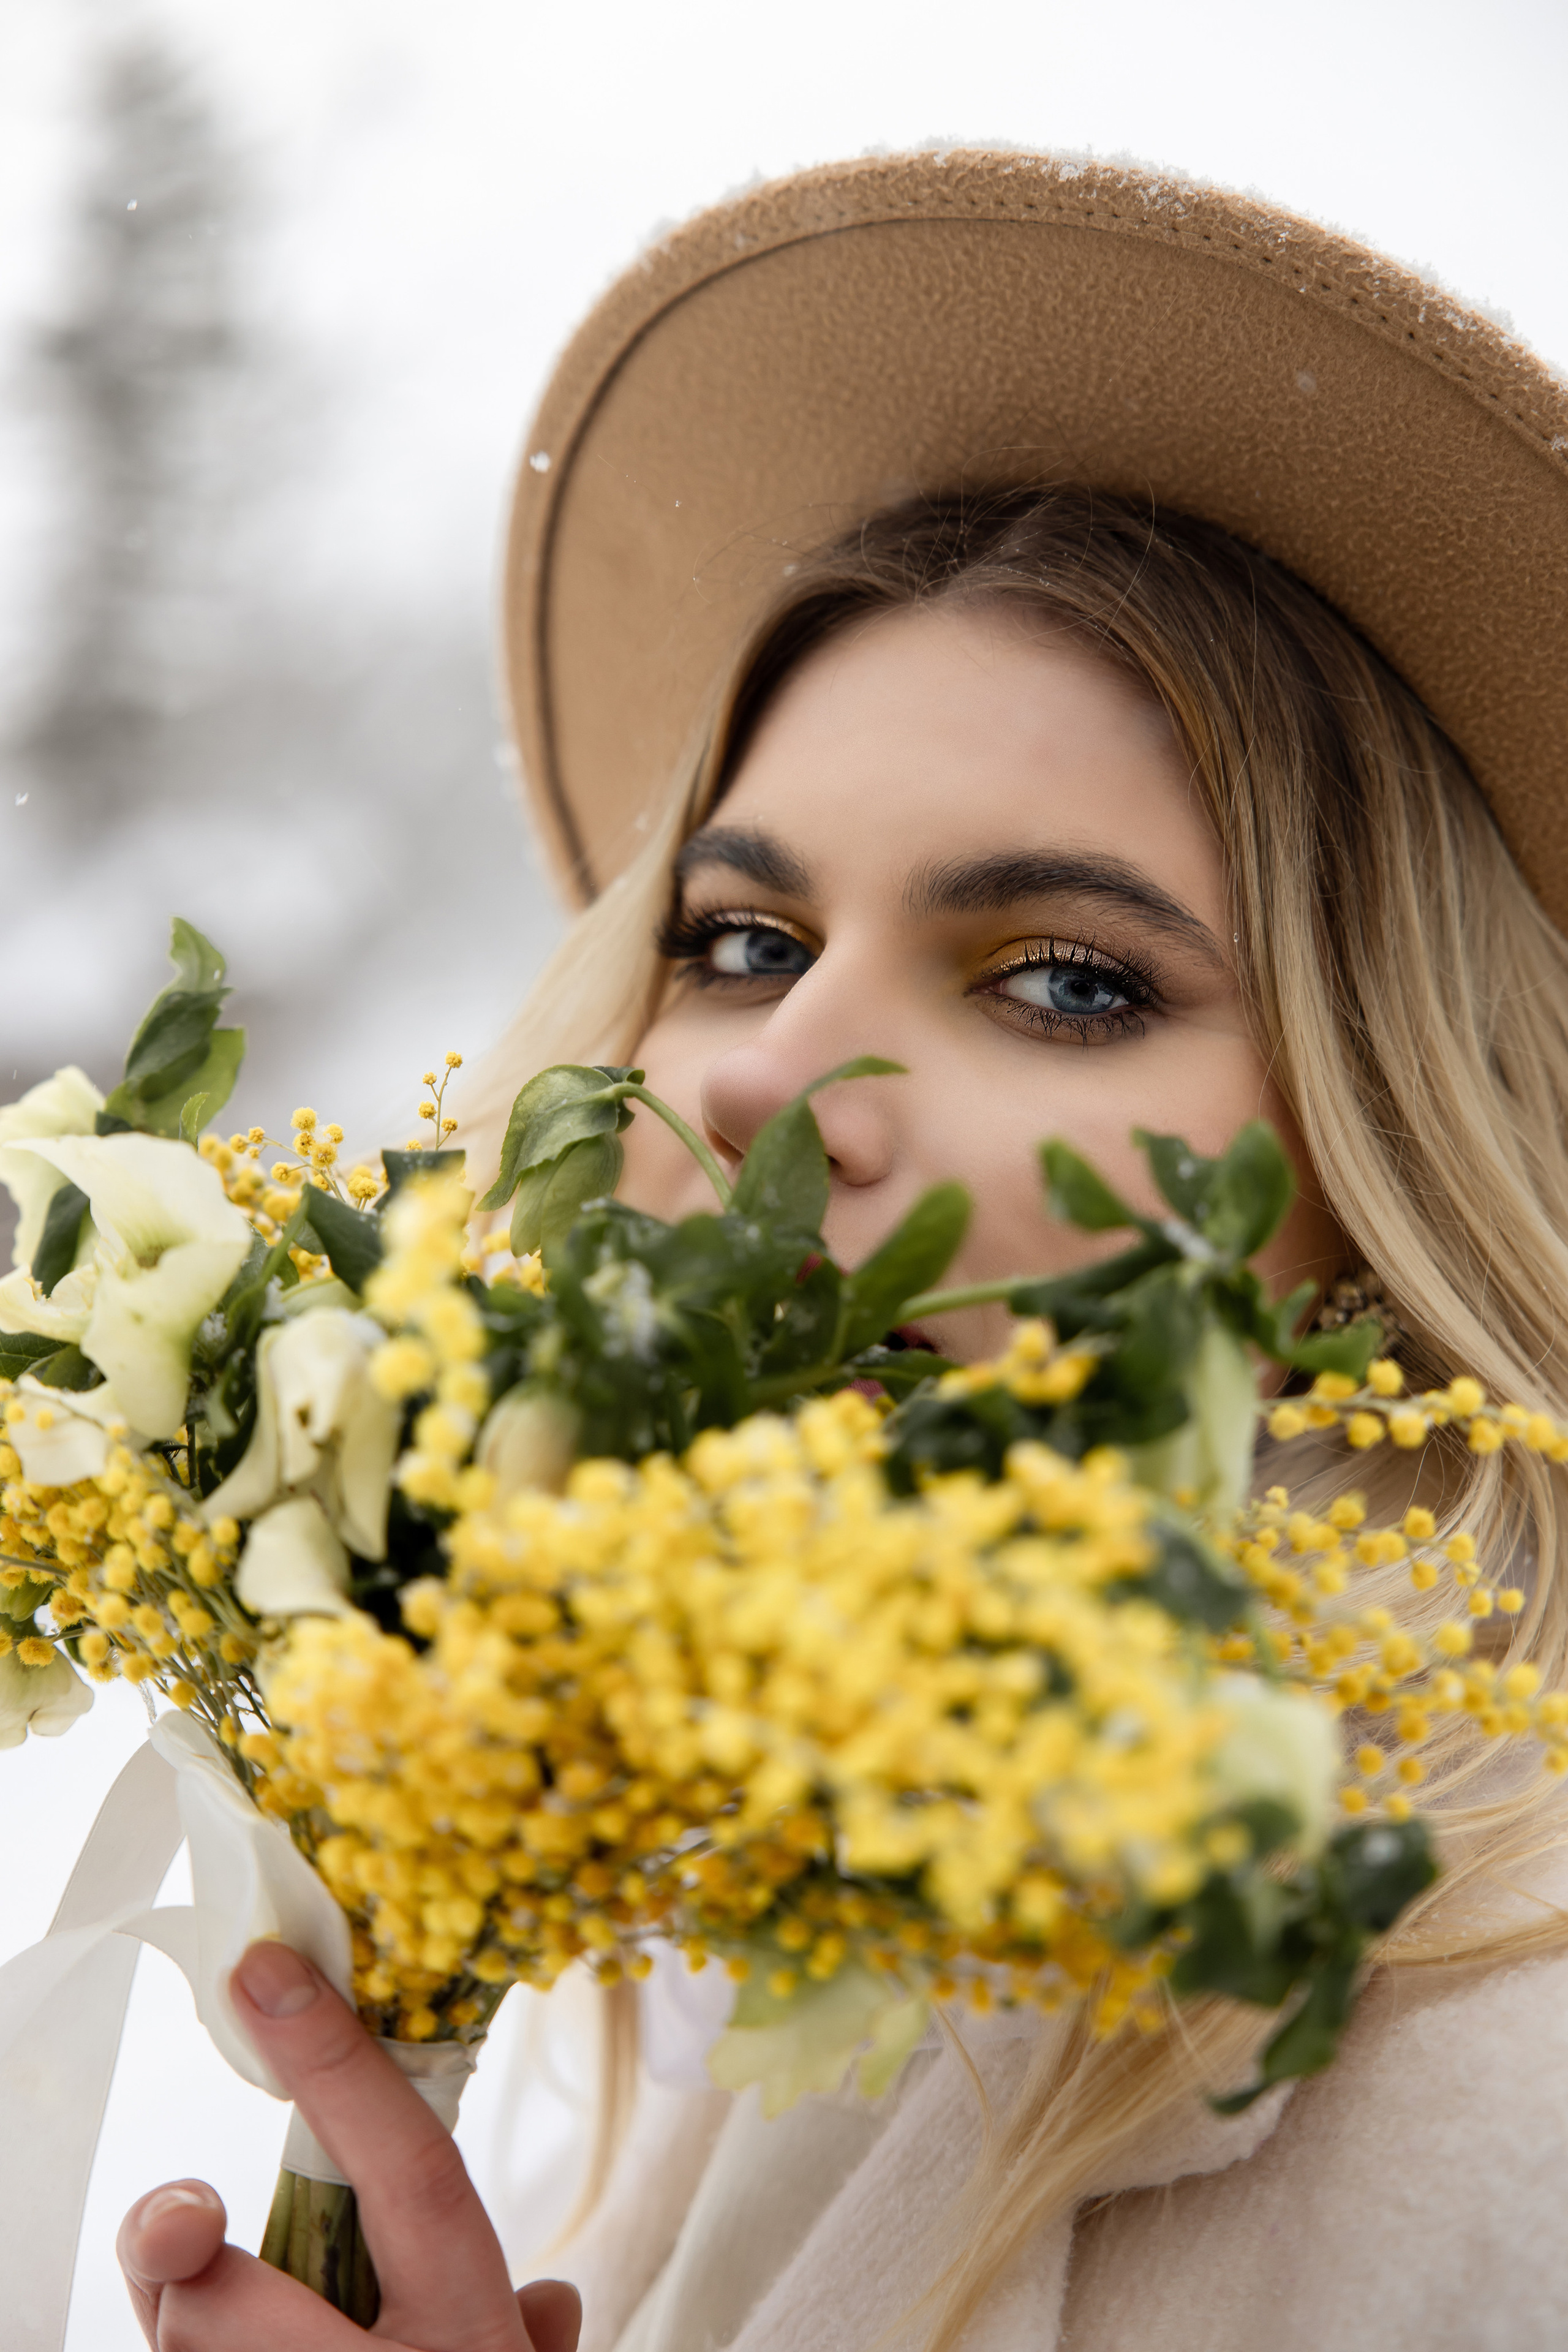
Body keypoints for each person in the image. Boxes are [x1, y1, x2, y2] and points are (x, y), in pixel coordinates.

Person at [118, 150, 1568, 2351]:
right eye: (743, 939)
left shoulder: (1512, 2093)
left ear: (1392, 1148)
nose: (766, 1080)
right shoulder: (699, 1893)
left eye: (1068, 978)